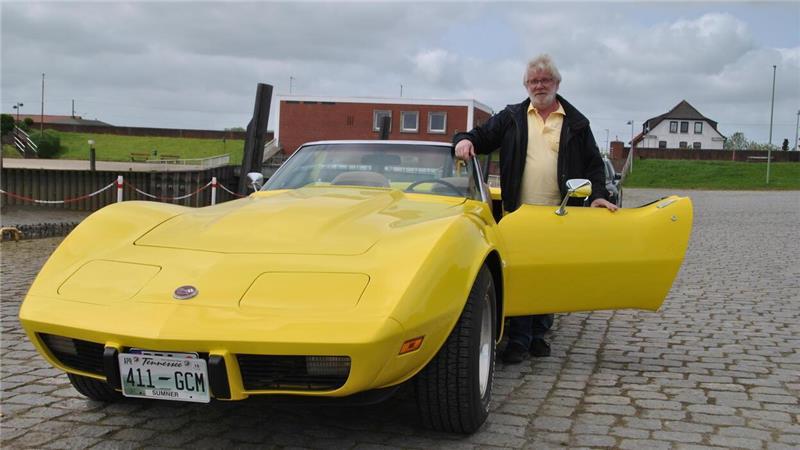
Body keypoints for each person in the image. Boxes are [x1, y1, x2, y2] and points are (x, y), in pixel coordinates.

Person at [453, 54, 618, 364]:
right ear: (526, 85)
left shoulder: (577, 123)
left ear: (556, 83)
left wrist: (597, 195)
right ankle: (518, 339)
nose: (539, 85)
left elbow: (594, 165)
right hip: (519, 215)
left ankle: (540, 335)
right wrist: (462, 140)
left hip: (559, 214)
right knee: (519, 276)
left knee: (548, 275)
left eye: (545, 80)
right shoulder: (512, 117)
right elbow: (481, 137)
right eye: (533, 81)